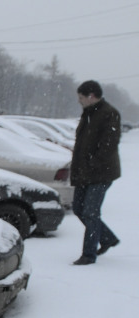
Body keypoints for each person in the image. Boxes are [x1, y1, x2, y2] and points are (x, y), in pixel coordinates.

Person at [70, 80, 121, 265]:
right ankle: (107, 238)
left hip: (101, 173)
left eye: (81, 98)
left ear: (91, 97)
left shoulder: (109, 114)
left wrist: (92, 163)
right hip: (84, 172)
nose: (79, 101)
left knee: (91, 212)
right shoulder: (88, 113)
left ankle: (88, 255)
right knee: (78, 208)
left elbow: (108, 145)